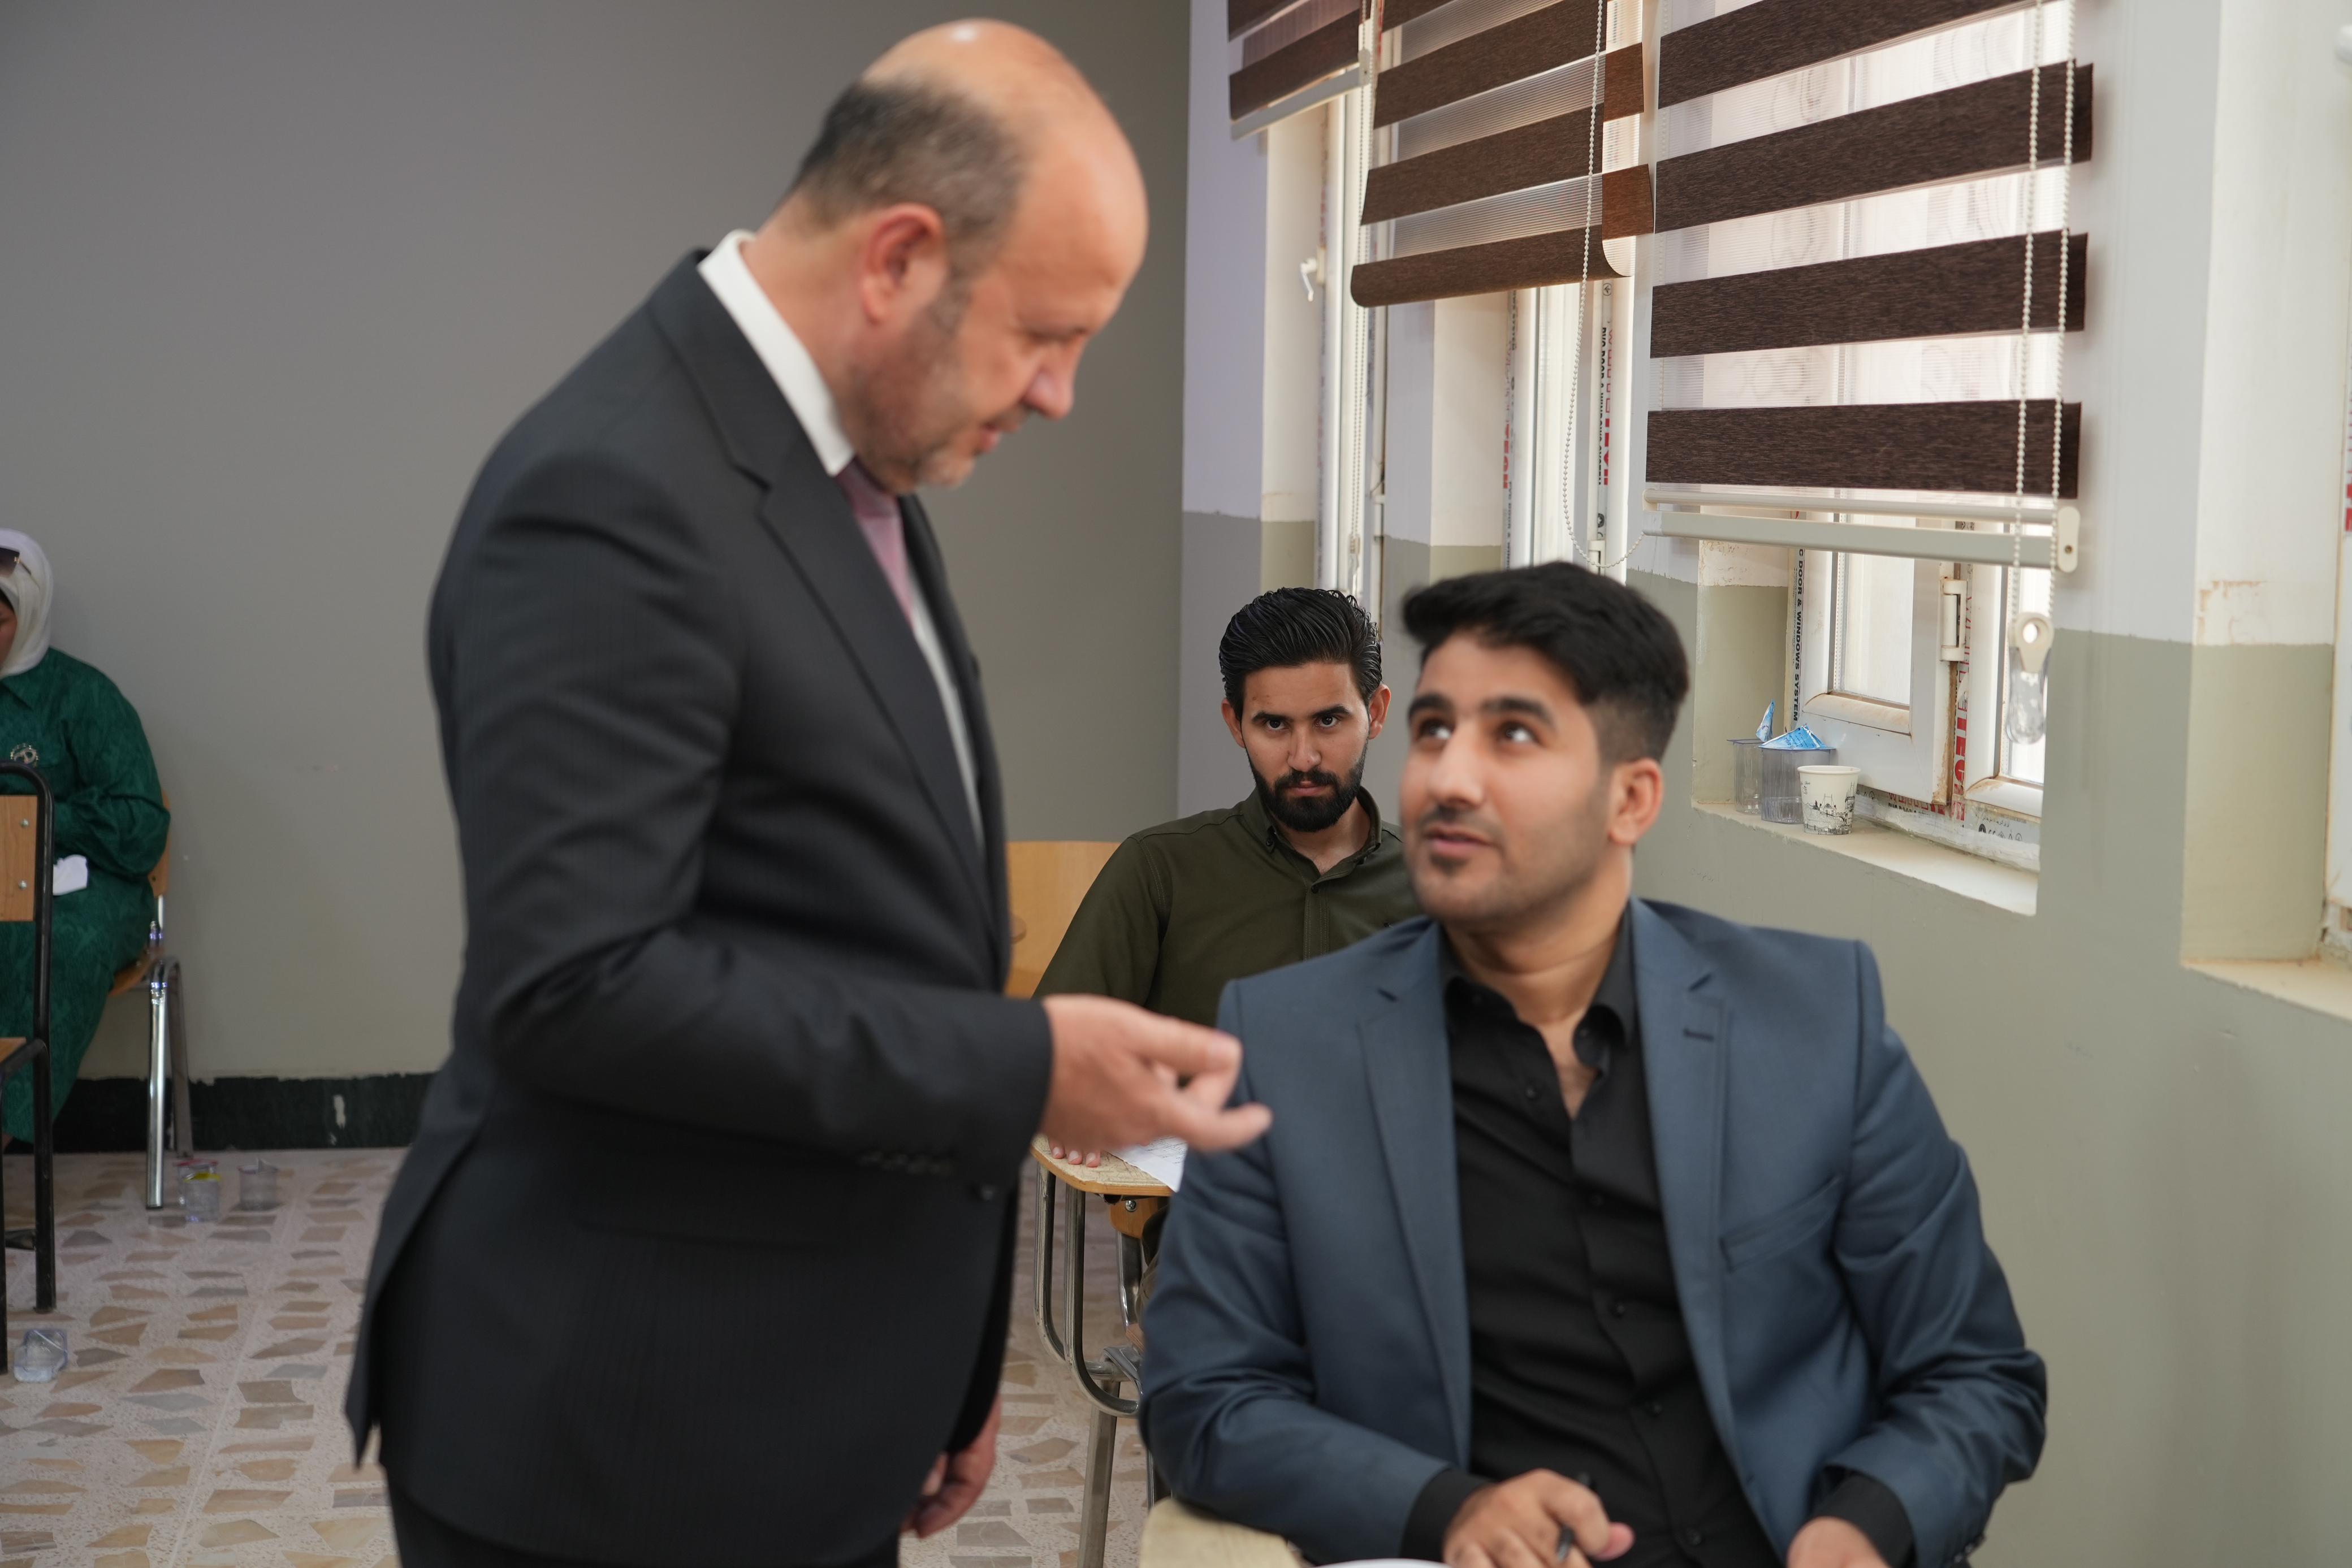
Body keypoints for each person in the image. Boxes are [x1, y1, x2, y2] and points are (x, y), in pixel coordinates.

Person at [348, 25, 1268, 1568]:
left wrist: (938, 1353)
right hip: (622, 1433)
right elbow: (577, 984)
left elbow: (858, 916)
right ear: (900, 257)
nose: (1060, 395)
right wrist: (1026, 1063)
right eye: (1045, 335)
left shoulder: (842, 463)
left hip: (805, 1379)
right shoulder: (613, 492)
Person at [1141, 564, 2045, 1568]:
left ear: (1631, 799)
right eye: (1434, 730)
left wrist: (1865, 1524)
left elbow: (1975, 1373)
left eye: (1514, 736)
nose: (1448, 777)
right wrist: (1443, 1509)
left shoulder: (1814, 1020)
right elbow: (1203, 1396)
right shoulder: (1286, 1045)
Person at [1037, 588, 1417, 1160]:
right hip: (1207, 1199)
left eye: (1329, 720)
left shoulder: (1440, 884)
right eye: (1274, 724)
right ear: (1235, 723)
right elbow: (1053, 1051)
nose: (1304, 757)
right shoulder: (1161, 868)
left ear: (1377, 712)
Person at [0, 532, 169, 1149]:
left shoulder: (83, 697)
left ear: (30, 615)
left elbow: (139, 827)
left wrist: (31, 819)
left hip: (85, 887)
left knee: (55, 945)